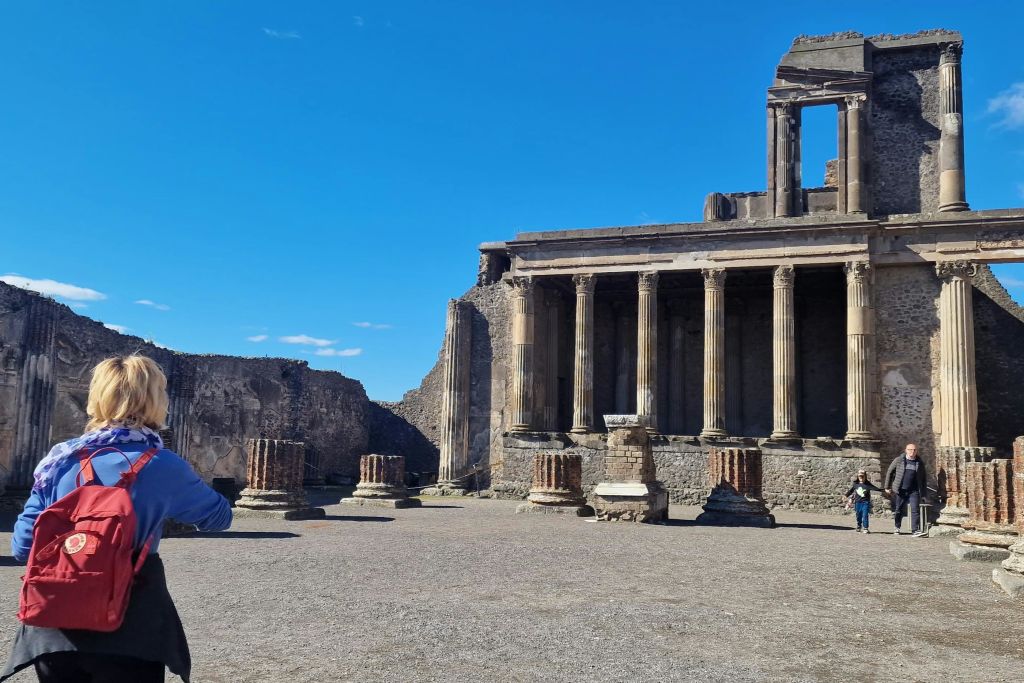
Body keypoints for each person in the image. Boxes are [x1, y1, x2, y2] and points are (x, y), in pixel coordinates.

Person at [2, 355, 232, 683]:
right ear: (157, 401)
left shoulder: (58, 462)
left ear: (97, 396)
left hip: (53, 630)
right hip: (131, 630)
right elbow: (219, 518)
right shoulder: (164, 466)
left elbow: (24, 547)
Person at [883, 443, 928, 537]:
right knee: (898, 509)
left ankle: (915, 530)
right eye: (910, 449)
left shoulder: (919, 462)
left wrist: (923, 494)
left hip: (914, 490)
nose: (912, 451)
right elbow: (890, 472)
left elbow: (923, 479)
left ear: (916, 451)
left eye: (914, 450)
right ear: (906, 450)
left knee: (915, 509)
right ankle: (897, 527)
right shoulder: (899, 460)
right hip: (901, 490)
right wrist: (887, 487)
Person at [843, 469, 884, 534]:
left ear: (865, 476)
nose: (861, 478)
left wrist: (885, 490)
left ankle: (865, 528)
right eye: (860, 476)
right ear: (858, 477)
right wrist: (846, 495)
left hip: (865, 502)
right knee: (858, 515)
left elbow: (876, 488)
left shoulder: (868, 484)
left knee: (865, 515)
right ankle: (859, 525)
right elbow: (851, 491)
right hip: (857, 502)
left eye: (862, 476)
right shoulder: (855, 484)